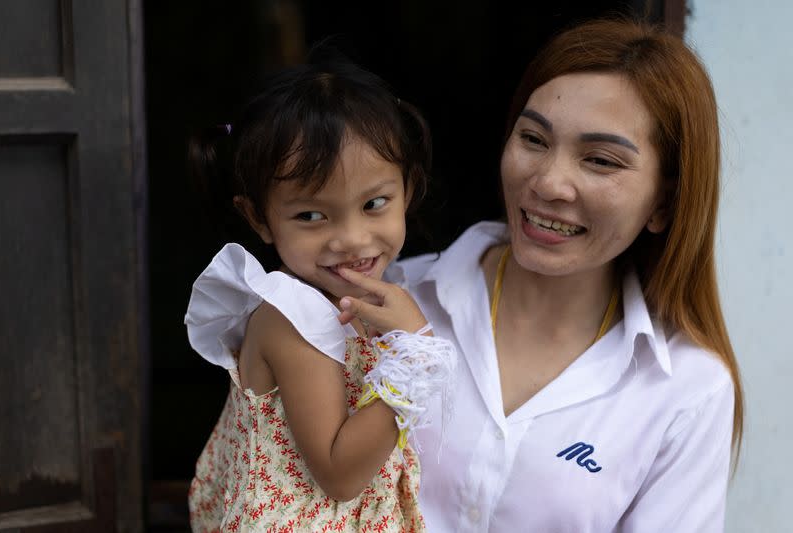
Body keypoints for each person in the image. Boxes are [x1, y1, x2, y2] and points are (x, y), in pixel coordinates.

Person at [340, 17, 744, 532]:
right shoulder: (388, 302)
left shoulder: (688, 389)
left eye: (600, 160)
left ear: (663, 203)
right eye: (533, 138)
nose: (549, 182)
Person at [183, 55, 455, 532]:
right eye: (311, 216)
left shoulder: (361, 299)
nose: (350, 238)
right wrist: (415, 355)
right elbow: (340, 473)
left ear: (407, 191)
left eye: (374, 204)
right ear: (259, 219)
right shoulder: (294, 317)